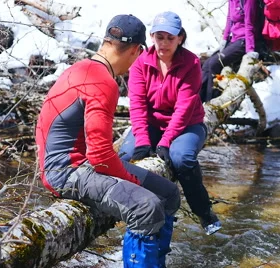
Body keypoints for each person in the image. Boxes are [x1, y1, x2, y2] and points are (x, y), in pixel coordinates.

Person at [35, 14, 181, 268]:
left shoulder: (81, 67)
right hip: (65, 173)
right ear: (136, 51)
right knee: (146, 208)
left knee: (168, 194)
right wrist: (135, 182)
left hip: (76, 166)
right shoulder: (103, 81)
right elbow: (101, 156)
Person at [119, 11, 222, 237]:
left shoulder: (191, 63)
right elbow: (136, 104)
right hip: (152, 123)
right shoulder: (139, 63)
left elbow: (184, 109)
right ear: (153, 37)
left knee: (181, 159)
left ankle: (204, 212)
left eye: (170, 38)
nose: (164, 43)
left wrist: (165, 142)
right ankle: (121, 210)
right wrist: (144, 140)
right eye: (159, 37)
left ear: (180, 38)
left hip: (187, 125)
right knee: (125, 157)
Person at [200, 0, 263, 102]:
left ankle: (209, 102)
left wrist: (250, 50)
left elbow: (249, 24)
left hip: (243, 41)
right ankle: (197, 100)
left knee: (213, 64)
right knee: (206, 64)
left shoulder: (248, 1)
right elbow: (229, 18)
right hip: (233, 39)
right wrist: (224, 39)